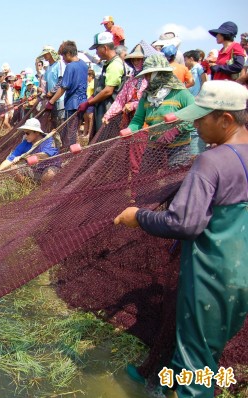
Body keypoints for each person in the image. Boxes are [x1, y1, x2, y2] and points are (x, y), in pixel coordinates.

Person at [114, 80, 248, 398]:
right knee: (202, 343)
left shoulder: (211, 162)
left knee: (197, 366)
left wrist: (138, 217)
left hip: (210, 277)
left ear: (226, 119)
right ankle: (164, 383)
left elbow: (185, 223)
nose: (195, 123)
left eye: (202, 117)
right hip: (240, 278)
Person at [127, 54, 196, 171]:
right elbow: (138, 120)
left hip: (178, 149)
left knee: (174, 182)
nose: (147, 78)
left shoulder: (180, 93)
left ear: (159, 74)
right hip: (154, 146)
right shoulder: (146, 96)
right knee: (145, 179)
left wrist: (174, 130)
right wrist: (129, 130)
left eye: (149, 75)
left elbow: (195, 115)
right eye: (146, 75)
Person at [78, 32, 126, 135]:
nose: (96, 52)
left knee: (107, 140)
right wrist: (91, 98)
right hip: (102, 110)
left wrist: (88, 103)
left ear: (104, 48)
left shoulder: (115, 64)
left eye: (97, 48)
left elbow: (108, 91)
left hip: (110, 112)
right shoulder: (107, 64)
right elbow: (101, 88)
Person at [103, 41, 155, 127]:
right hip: (131, 120)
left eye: (138, 59)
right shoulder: (131, 80)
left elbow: (154, 100)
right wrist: (108, 115)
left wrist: (134, 105)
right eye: (133, 59)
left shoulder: (151, 79)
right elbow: (120, 100)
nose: (135, 62)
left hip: (147, 119)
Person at [0, 118, 59, 183]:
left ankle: (45, 191)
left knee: (49, 174)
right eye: (24, 133)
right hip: (35, 170)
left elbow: (45, 155)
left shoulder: (48, 140)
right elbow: (10, 159)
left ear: (37, 132)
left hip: (50, 169)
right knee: (14, 169)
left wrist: (24, 157)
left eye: (28, 133)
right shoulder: (26, 143)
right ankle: (30, 188)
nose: (25, 136)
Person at [47, 40, 88, 149]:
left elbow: (63, 87)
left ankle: (71, 153)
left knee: (71, 132)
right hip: (83, 102)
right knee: (76, 130)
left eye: (63, 56)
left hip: (73, 104)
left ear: (69, 54)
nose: (63, 60)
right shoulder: (83, 64)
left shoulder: (70, 67)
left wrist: (51, 101)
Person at [40, 46, 66, 132]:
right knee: (54, 122)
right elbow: (46, 82)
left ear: (51, 54)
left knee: (61, 122)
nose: (44, 56)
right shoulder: (48, 68)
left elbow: (61, 81)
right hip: (51, 100)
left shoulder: (59, 64)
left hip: (60, 98)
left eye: (46, 54)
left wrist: (52, 92)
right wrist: (44, 92)